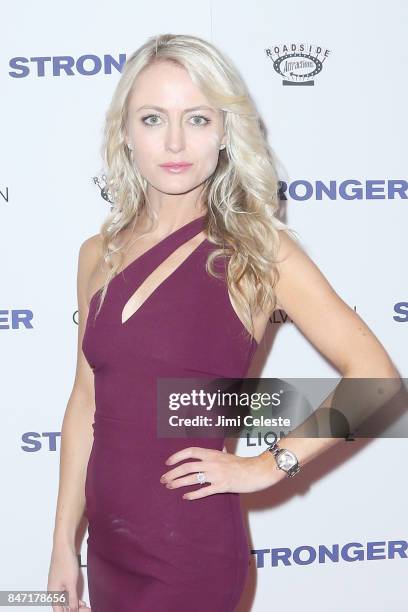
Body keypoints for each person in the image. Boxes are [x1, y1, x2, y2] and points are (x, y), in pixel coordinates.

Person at [47, 33, 400, 612]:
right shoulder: (97, 252)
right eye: (154, 118)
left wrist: (269, 464)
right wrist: (64, 544)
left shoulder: (258, 253)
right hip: (110, 550)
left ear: (225, 131)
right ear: (125, 133)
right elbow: (86, 399)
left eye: (199, 117)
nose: (176, 141)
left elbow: (378, 380)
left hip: (189, 553)